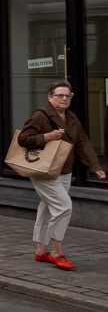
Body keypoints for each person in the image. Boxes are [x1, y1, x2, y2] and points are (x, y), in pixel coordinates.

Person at [19, 80, 105, 269]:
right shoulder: (40, 116)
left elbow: (82, 143)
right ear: (50, 97)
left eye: (68, 96)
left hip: (64, 170)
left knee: (48, 207)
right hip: (44, 171)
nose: (64, 99)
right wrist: (46, 137)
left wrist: (94, 166)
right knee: (64, 207)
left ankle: (41, 251)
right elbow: (22, 139)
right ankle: (57, 252)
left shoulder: (71, 118)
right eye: (60, 95)